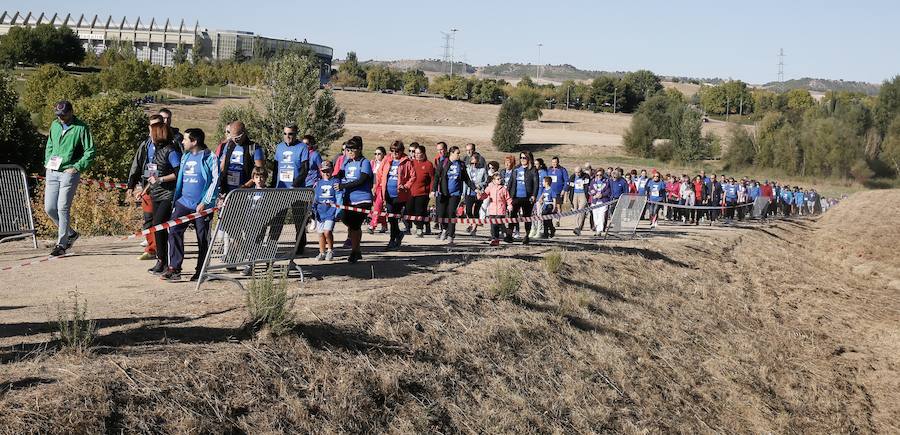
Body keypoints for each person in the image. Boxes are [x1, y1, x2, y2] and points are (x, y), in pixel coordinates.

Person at [163, 128, 219, 282]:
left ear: (194, 142)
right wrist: (177, 199)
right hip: (183, 202)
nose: (182, 142)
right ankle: (174, 268)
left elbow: (215, 180)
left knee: (202, 238)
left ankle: (202, 271)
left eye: (186, 139)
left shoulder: (210, 157)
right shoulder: (185, 156)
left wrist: (205, 202)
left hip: (202, 206)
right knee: (173, 230)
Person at [43, 100, 95, 257]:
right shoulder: (54, 125)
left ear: (71, 112)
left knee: (62, 207)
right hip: (52, 170)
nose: (61, 118)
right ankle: (71, 234)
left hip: (69, 172)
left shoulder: (81, 128)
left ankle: (61, 244)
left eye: (63, 115)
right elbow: (50, 145)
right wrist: (47, 162)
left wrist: (77, 167)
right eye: (58, 115)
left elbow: (90, 151)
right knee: (50, 208)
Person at [144, 121, 182, 274]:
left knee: (159, 225)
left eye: (151, 132)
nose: (149, 135)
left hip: (168, 194)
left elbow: (178, 173)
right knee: (156, 226)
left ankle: (165, 263)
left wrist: (161, 180)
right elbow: (152, 173)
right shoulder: (155, 150)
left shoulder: (171, 151)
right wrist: (146, 188)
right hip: (156, 193)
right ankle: (161, 261)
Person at [127, 114, 165, 261]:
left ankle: (162, 251)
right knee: (148, 219)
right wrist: (131, 184)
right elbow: (136, 164)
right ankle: (151, 250)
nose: (154, 129)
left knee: (160, 221)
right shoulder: (146, 144)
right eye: (152, 126)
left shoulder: (169, 145)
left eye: (158, 125)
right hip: (146, 187)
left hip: (164, 189)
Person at [335, 136, 372, 263]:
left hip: (362, 199)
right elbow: (339, 175)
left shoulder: (364, 162)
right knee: (350, 224)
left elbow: (361, 180)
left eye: (352, 149)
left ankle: (355, 252)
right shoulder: (346, 162)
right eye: (347, 149)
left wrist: (343, 185)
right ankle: (357, 250)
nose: (349, 152)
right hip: (348, 200)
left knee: (355, 225)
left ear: (360, 149)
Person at [374, 140, 417, 250]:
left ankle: (392, 240)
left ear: (401, 151)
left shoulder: (406, 161)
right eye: (392, 150)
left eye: (397, 151)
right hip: (387, 193)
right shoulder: (387, 159)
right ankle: (397, 235)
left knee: (394, 216)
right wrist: (378, 185)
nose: (394, 153)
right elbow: (379, 173)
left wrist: (406, 186)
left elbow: (413, 177)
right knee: (391, 218)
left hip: (400, 195)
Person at [432, 145, 478, 245]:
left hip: (455, 193)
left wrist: (475, 189)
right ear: (451, 153)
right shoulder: (443, 163)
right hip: (443, 193)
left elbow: (466, 179)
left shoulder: (461, 165)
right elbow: (436, 177)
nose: (459, 155)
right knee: (441, 214)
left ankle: (451, 235)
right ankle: (444, 229)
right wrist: (433, 190)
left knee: (451, 213)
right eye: (457, 153)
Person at [219, 121, 264, 195]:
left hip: (246, 192)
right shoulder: (229, 145)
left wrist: (246, 186)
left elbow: (260, 172)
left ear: (244, 133)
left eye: (237, 137)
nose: (235, 140)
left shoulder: (255, 148)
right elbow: (222, 167)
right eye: (233, 137)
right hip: (227, 190)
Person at [504, 151, 540, 244]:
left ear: (529, 158)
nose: (522, 160)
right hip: (515, 196)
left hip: (527, 197)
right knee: (512, 216)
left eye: (524, 158)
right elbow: (510, 182)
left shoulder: (533, 170)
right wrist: (507, 195)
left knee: (527, 216)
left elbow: (536, 184)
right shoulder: (516, 168)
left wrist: (534, 195)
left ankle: (527, 235)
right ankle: (509, 235)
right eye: (521, 158)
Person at [313, 160, 340, 261]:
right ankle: (322, 252)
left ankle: (330, 250)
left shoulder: (335, 182)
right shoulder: (318, 183)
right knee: (320, 233)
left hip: (330, 210)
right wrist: (313, 208)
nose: (326, 173)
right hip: (320, 211)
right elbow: (315, 197)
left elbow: (339, 196)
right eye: (323, 171)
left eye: (328, 171)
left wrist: (337, 210)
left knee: (327, 232)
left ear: (332, 170)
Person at [408, 145, 435, 238]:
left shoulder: (428, 164)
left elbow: (432, 179)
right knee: (409, 210)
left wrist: (432, 191)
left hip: (423, 192)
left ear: (423, 153)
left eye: (419, 153)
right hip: (411, 192)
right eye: (415, 153)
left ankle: (420, 228)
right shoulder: (411, 162)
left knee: (419, 211)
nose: (417, 155)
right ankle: (419, 224)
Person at [481, 172, 513, 246]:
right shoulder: (490, 187)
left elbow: (508, 198)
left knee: (496, 224)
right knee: (494, 225)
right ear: (493, 180)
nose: (499, 180)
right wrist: (480, 195)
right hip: (492, 210)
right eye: (498, 179)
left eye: (500, 179)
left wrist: (509, 205)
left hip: (501, 210)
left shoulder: (503, 189)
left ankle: (498, 237)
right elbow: (484, 195)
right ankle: (495, 238)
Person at [463, 153, 488, 236]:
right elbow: (465, 180)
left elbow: (485, 181)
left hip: (479, 193)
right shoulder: (467, 169)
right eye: (472, 163)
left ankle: (474, 228)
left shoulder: (482, 170)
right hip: (468, 192)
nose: (474, 165)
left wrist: (480, 185)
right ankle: (472, 223)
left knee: (476, 211)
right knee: (468, 211)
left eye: (476, 163)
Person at [368, 146, 388, 234]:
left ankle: (373, 225)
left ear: (384, 154)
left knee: (377, 206)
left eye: (379, 154)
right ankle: (384, 224)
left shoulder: (386, 163)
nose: (377, 155)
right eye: (375, 154)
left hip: (381, 186)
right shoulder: (372, 163)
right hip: (373, 186)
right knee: (379, 207)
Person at [569, 163, 591, 235]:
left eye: (579, 172)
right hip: (575, 194)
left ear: (581, 171)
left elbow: (588, 186)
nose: (577, 174)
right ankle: (578, 226)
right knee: (576, 211)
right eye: (576, 172)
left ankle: (578, 227)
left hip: (583, 194)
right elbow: (570, 187)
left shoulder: (586, 176)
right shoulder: (572, 177)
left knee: (581, 210)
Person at [588, 168, 611, 236]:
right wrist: (594, 194)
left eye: (600, 175)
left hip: (603, 201)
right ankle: (597, 227)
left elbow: (608, 190)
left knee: (601, 216)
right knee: (595, 216)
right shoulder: (593, 181)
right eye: (597, 175)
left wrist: (602, 195)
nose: (599, 176)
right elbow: (590, 189)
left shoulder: (606, 181)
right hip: (595, 201)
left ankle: (599, 230)